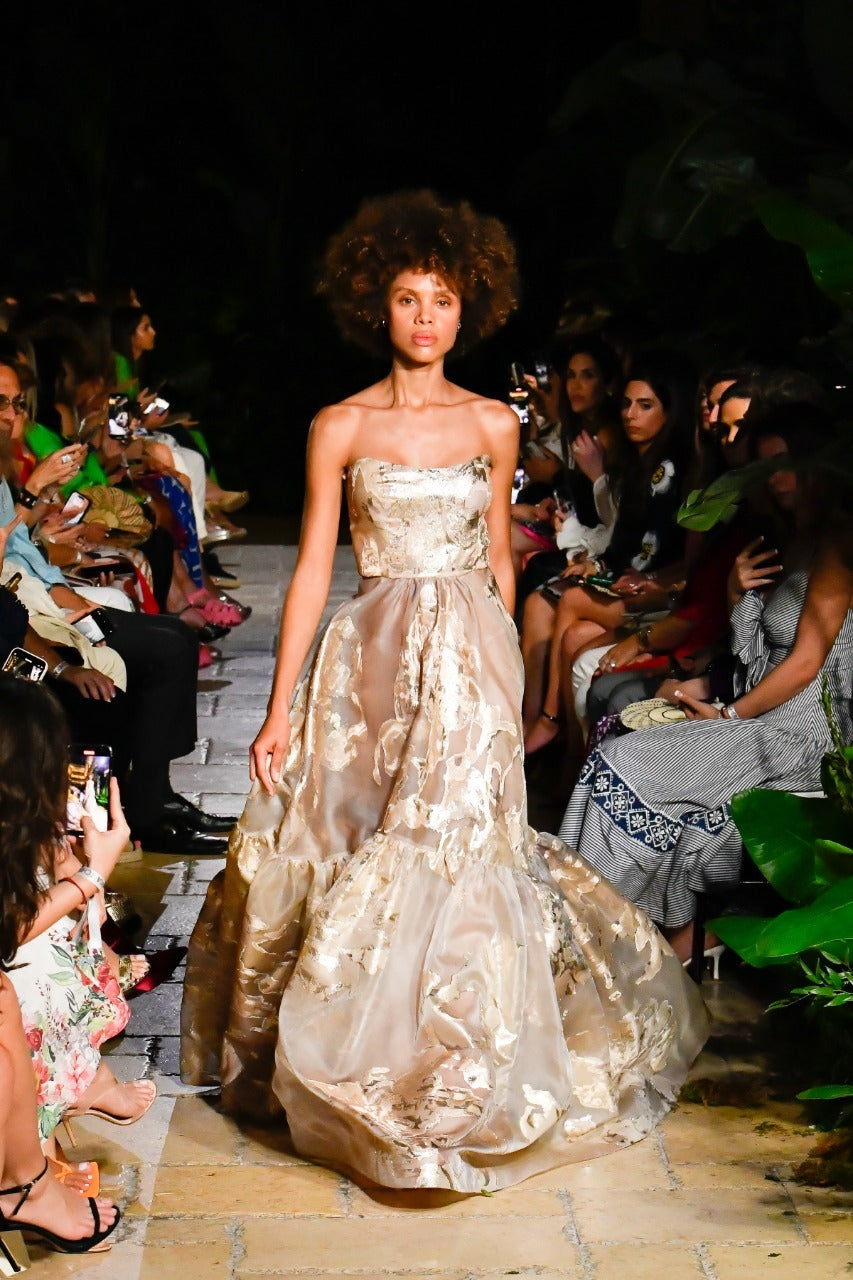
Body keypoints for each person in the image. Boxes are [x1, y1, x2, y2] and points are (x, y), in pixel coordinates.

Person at [180, 188, 708, 1193]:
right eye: (408, 297)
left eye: (443, 300)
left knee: (457, 847)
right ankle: (368, 1057)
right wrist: (280, 702)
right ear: (375, 308)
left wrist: (506, 677)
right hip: (370, 658)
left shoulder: (494, 420)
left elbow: (503, 564)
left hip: (469, 655)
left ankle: (460, 1067)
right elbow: (310, 569)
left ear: (469, 310)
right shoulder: (338, 424)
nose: (426, 317)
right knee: (360, 843)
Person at [558, 397, 853, 961]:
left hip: (798, 735)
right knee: (621, 740)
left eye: (789, 464)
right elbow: (757, 653)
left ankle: (599, 942)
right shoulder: (789, 538)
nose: (781, 481)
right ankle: (598, 935)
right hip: (758, 713)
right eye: (769, 467)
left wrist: (731, 714)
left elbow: (807, 661)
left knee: (626, 763)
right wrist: (736, 594)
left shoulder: (838, 542)